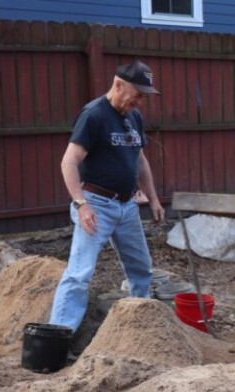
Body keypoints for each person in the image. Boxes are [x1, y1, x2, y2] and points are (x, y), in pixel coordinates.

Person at [50, 60, 164, 331]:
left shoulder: (133, 117)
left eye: (144, 97)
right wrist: (81, 205)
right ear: (118, 85)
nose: (140, 102)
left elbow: (140, 161)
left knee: (141, 269)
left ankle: (141, 327)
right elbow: (69, 162)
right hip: (96, 206)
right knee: (80, 273)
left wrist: (154, 198)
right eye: (137, 95)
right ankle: (59, 334)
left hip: (127, 206)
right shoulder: (94, 115)